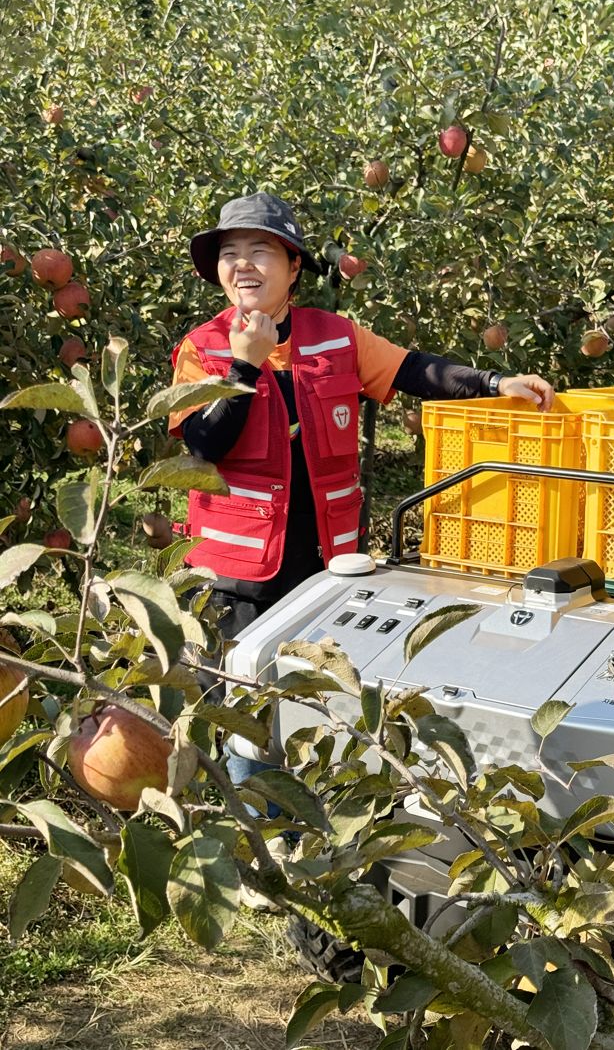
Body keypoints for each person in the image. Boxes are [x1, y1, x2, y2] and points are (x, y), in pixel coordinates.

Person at [168, 191, 554, 810]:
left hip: (327, 563)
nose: (242, 265)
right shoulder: (203, 348)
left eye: (259, 251)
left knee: (317, 700)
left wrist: (492, 383)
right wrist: (244, 367)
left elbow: (413, 371)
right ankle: (254, 844)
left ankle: (308, 829)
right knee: (243, 705)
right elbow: (205, 441)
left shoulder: (333, 337)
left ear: (293, 268)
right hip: (237, 573)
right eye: (229, 254)